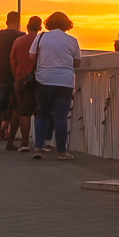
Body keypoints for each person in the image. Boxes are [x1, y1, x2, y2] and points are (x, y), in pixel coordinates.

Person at [29, 10, 83, 160]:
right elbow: (77, 62)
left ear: (49, 23)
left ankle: (38, 148)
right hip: (64, 81)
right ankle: (61, 151)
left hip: (44, 79)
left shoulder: (41, 38)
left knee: (42, 114)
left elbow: (32, 56)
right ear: (67, 24)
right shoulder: (72, 41)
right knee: (61, 116)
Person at [0, 11, 25, 151]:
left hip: (1, 76)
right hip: (17, 76)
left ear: (6, 21)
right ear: (18, 21)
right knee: (17, 109)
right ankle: (10, 142)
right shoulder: (21, 36)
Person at [9, 16, 42, 152]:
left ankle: (25, 143)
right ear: (40, 27)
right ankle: (41, 143)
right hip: (39, 79)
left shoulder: (18, 41)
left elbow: (12, 60)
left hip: (21, 78)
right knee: (39, 112)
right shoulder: (41, 41)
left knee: (24, 112)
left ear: (27, 26)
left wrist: (16, 76)